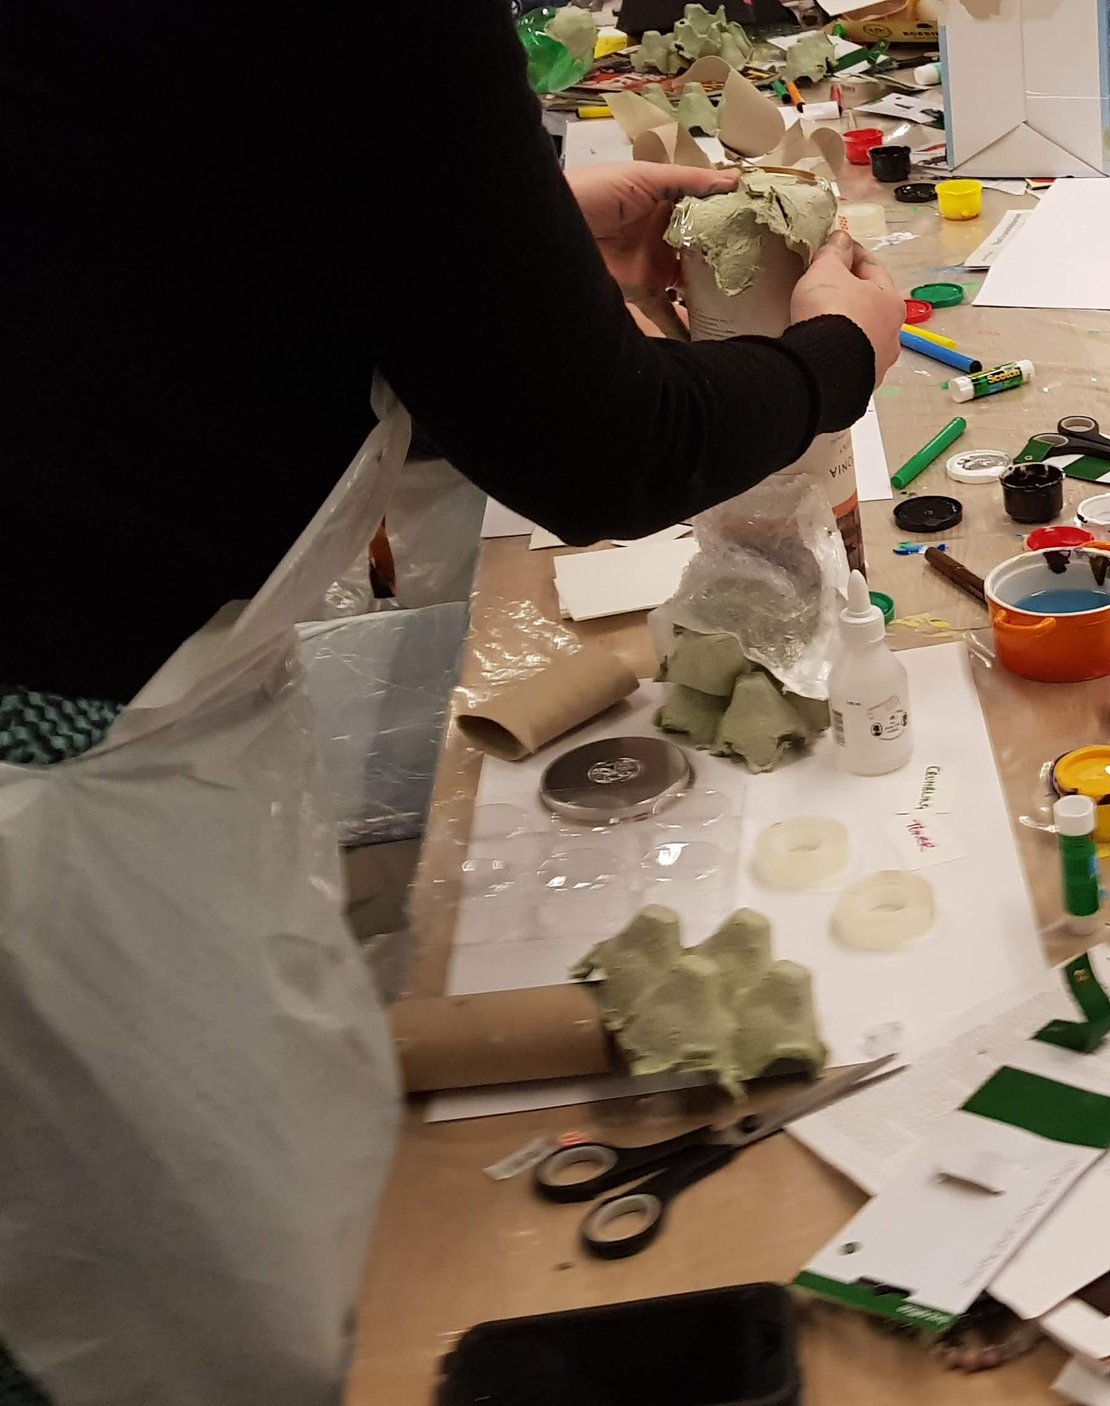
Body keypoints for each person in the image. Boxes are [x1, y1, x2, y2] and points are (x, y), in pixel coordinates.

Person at [0, 3, 903, 1402]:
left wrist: (499, 234)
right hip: (61, 771)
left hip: (120, 691)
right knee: (235, 1312)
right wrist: (837, 356)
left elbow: (167, 208)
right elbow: (606, 453)